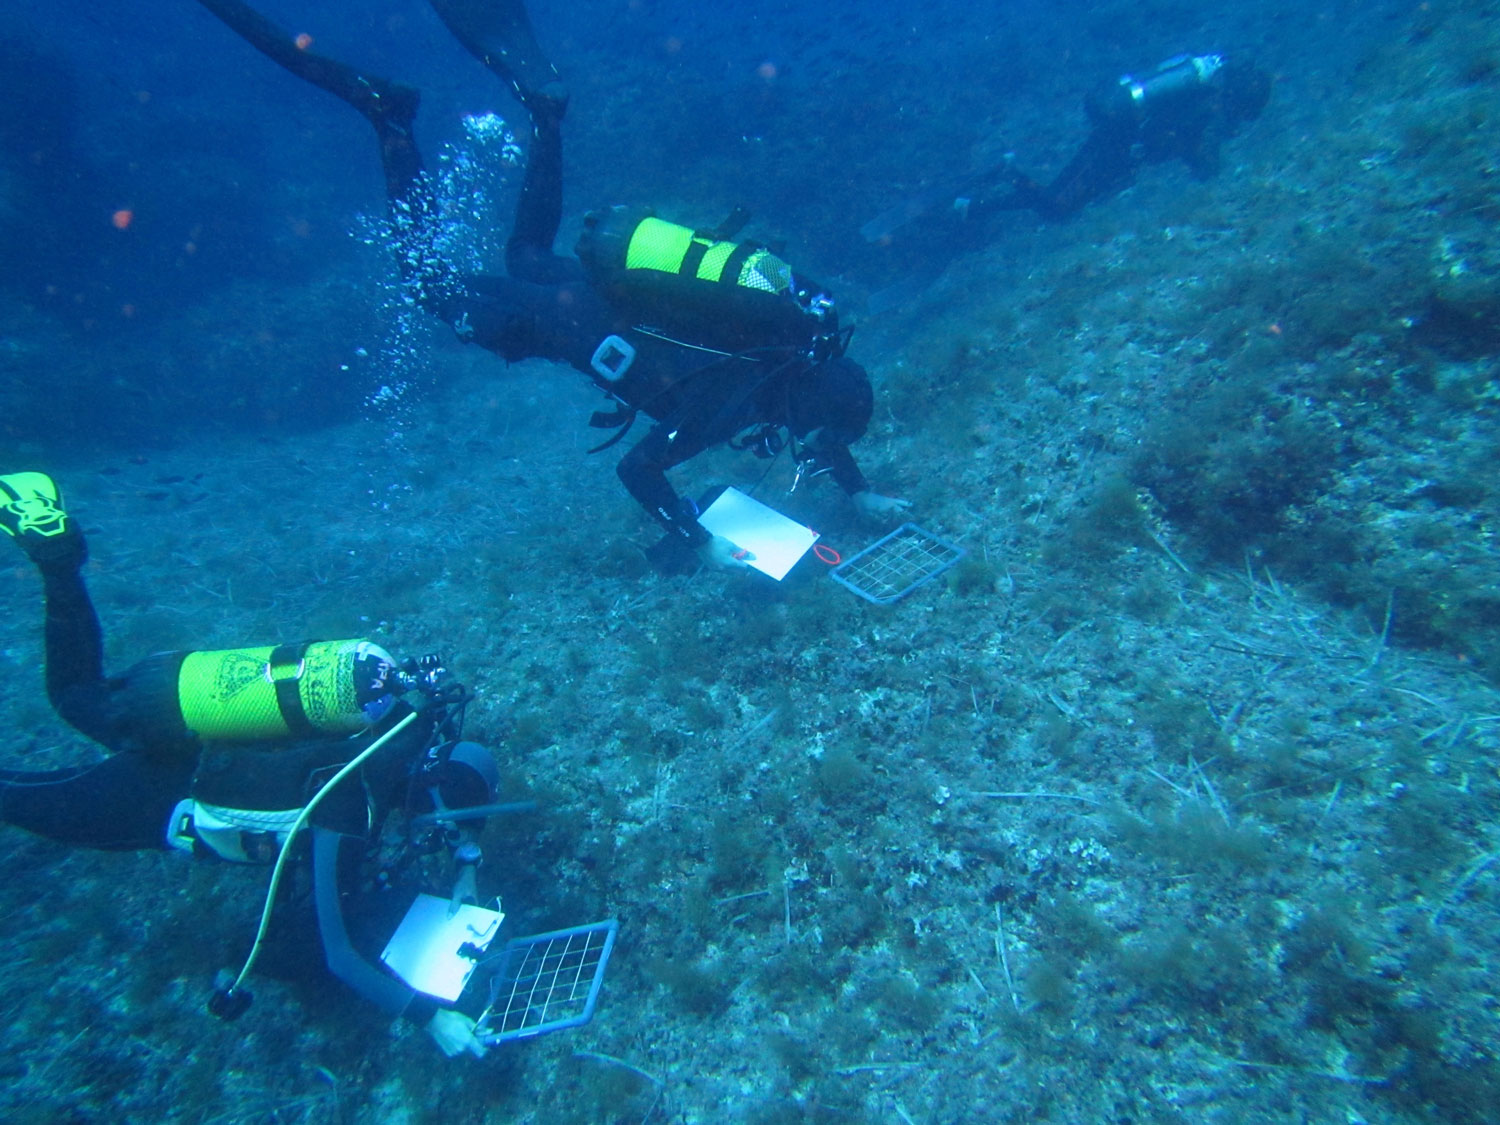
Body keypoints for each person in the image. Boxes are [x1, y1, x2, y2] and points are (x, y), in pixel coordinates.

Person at [193, 0, 909, 571]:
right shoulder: (730, 403)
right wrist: (698, 540)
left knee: (527, 252)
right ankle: (391, 120)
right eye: (819, 435)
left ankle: (544, 114)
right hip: (555, 323)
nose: (812, 445)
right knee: (423, 281)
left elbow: (816, 412)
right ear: (807, 399)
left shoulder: (790, 345)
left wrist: (860, 492)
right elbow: (638, 469)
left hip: (594, 292)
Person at [0, 472, 504, 1058]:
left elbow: (462, 775)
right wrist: (431, 1018)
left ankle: (57, 558)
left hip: (183, 726)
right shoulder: (348, 806)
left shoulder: (399, 725)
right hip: (153, 797)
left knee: (75, 695)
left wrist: (467, 865)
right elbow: (340, 956)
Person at [862, 53, 1271, 242]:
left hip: (1121, 143)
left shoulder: (1202, 91)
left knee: (1058, 203)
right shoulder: (1211, 107)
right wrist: (1212, 171)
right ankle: (1000, 179)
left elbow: (1176, 137)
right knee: (1058, 205)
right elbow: (1202, 161)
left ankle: (971, 205)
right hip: (1119, 144)